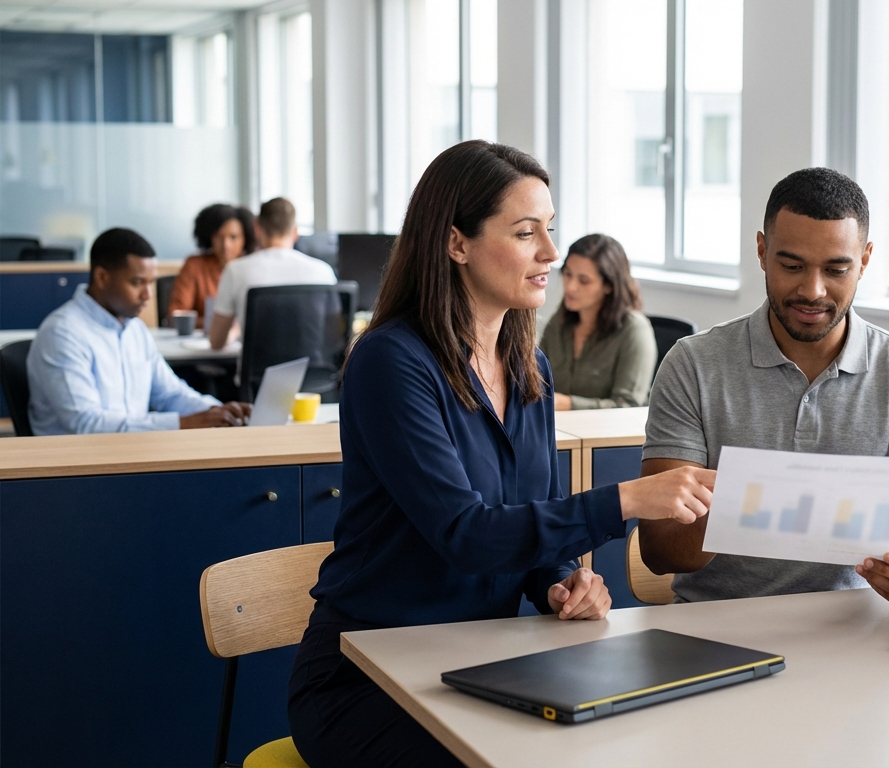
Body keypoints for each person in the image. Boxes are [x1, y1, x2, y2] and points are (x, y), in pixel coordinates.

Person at [286, 141, 715, 767]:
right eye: (525, 232)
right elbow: (466, 534)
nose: (549, 253)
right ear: (456, 243)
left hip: (477, 661)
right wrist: (626, 499)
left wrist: (561, 583)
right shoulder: (390, 361)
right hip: (366, 675)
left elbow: (527, 521)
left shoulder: (527, 366)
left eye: (550, 230)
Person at [637, 167, 889, 609]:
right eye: (791, 266)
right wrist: (745, 497)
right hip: (716, 625)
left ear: (864, 261)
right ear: (761, 251)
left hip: (856, 626)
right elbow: (659, 550)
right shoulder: (692, 365)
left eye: (836, 269)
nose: (813, 290)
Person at [26, 228, 253, 434]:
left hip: (130, 455)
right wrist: (184, 423)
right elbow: (86, 423)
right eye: (137, 283)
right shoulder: (63, 333)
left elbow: (170, 394)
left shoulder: (134, 328)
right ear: (102, 278)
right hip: (76, 468)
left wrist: (220, 411)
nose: (148, 295)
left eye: (150, 283)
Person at [539, 233, 657, 409]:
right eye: (567, 274)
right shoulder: (559, 322)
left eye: (584, 281)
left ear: (608, 285)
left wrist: (568, 404)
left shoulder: (635, 330)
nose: (570, 286)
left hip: (608, 434)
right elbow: (537, 381)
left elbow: (628, 406)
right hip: (559, 431)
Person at [208, 197, 336, 350]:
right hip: (314, 373)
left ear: (257, 229)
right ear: (295, 232)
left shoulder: (235, 270)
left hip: (259, 374)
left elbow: (216, 342)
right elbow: (335, 337)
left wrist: (237, 329)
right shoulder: (323, 272)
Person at [167, 203, 257, 328]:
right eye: (218, 236)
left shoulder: (253, 267)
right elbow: (176, 316)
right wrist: (219, 325)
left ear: (245, 238)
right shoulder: (195, 266)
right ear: (209, 237)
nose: (226, 245)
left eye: (233, 237)